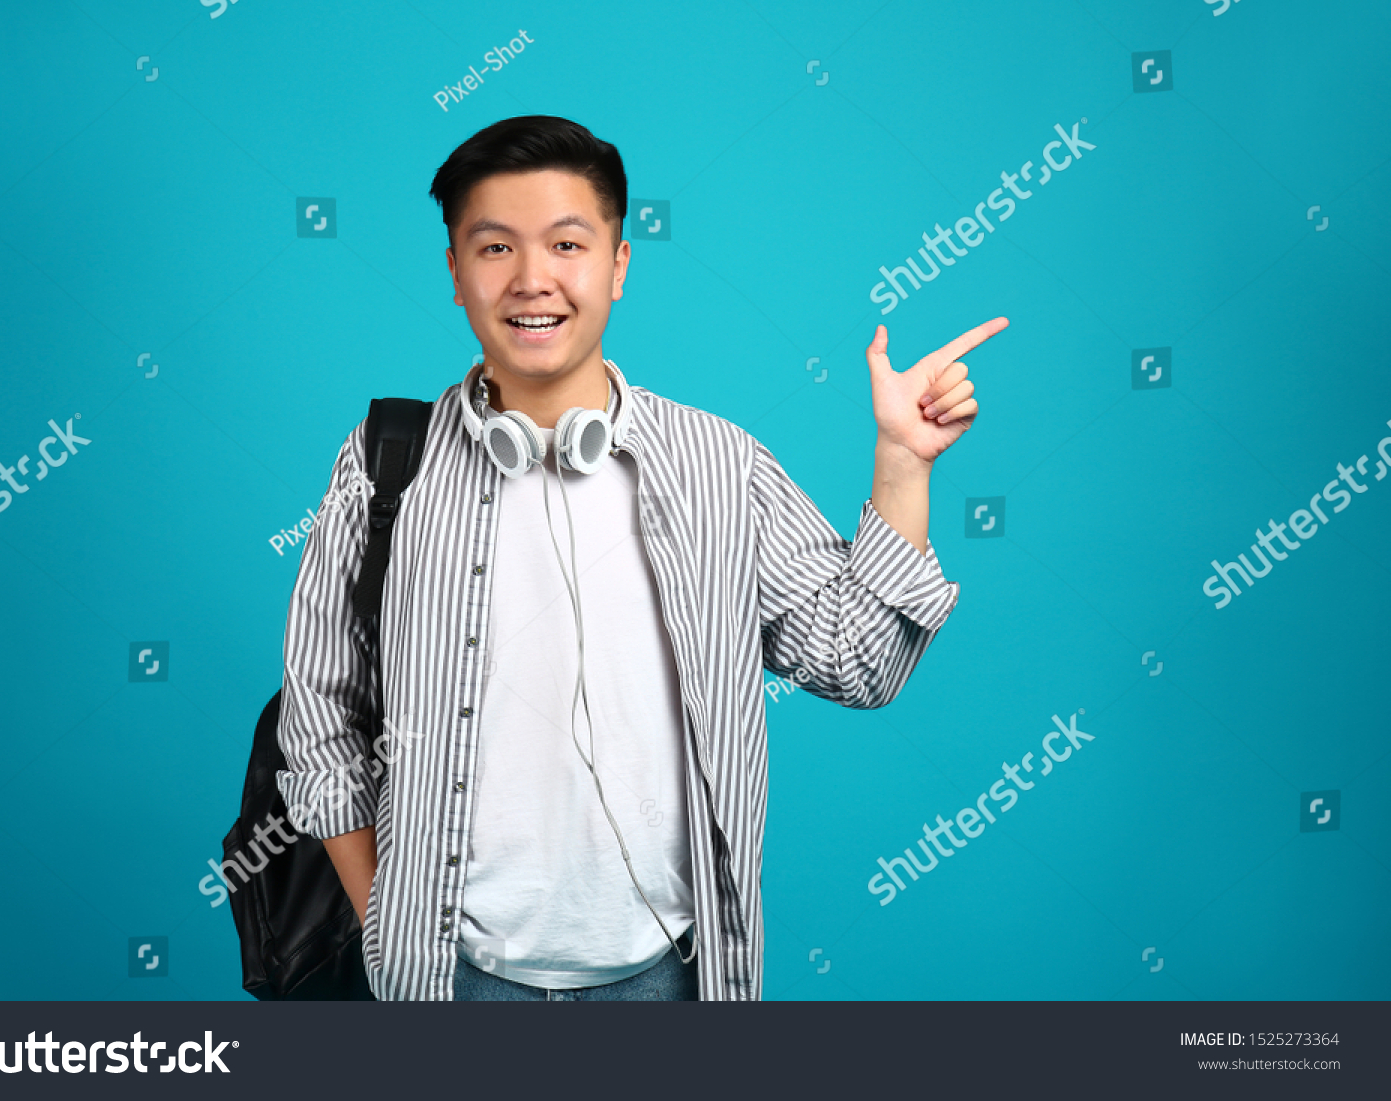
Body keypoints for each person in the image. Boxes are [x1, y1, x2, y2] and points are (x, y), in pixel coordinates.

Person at [275, 115, 1005, 1001]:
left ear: (618, 266)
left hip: (671, 979)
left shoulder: (719, 466)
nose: (533, 278)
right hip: (447, 980)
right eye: (496, 246)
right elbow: (319, 715)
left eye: (568, 244)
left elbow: (862, 663)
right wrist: (387, 919)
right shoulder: (389, 462)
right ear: (457, 274)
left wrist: (902, 464)